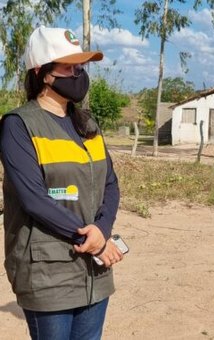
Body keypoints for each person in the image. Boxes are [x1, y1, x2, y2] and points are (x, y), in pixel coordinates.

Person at [1, 26, 123, 340]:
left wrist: (102, 230)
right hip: (47, 274)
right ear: (42, 73)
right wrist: (92, 238)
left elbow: (110, 184)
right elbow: (35, 199)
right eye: (68, 66)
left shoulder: (87, 124)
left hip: (94, 271)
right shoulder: (19, 125)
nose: (78, 73)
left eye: (80, 66)